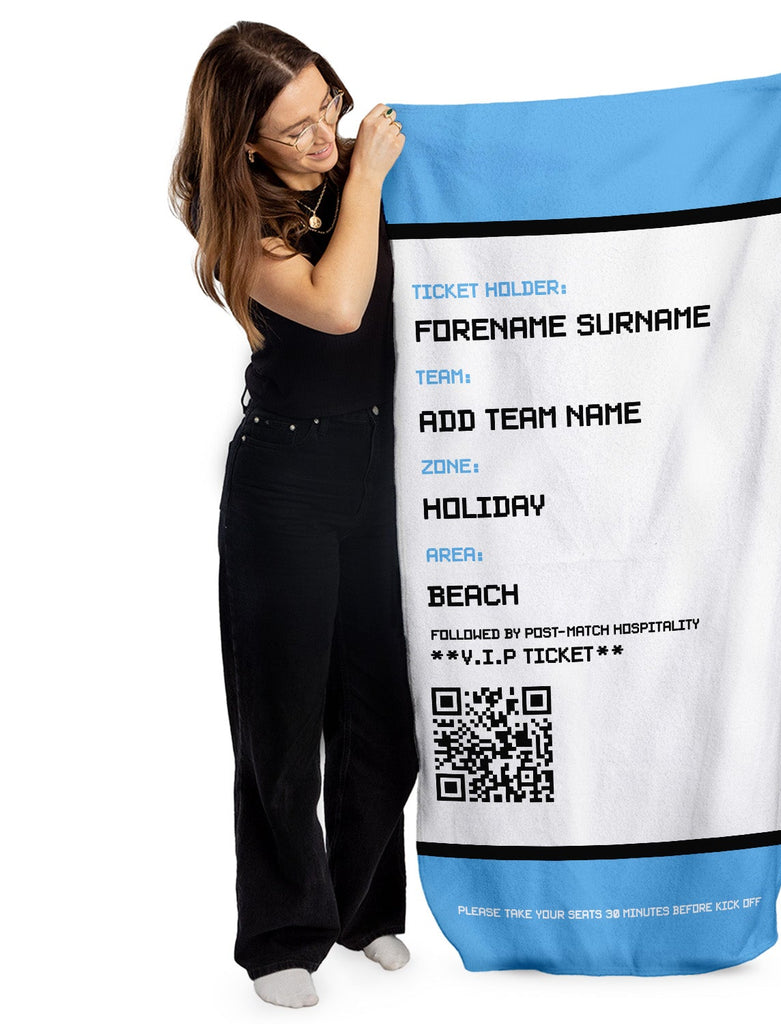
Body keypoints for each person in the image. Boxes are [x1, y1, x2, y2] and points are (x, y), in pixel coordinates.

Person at [170, 22, 417, 1008]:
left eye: (329, 107)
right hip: (285, 480)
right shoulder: (230, 218)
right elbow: (337, 304)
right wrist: (365, 181)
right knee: (283, 721)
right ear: (245, 145)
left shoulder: (351, 164)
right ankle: (281, 934)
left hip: (383, 468)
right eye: (297, 129)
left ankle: (360, 908)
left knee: (385, 716)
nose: (326, 137)